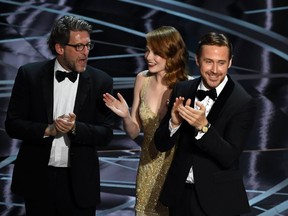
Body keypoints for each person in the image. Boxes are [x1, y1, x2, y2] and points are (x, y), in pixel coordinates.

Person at [5, 15, 114, 216]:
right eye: (79, 47)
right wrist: (48, 129)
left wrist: (75, 128)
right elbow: (13, 124)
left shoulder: (101, 81)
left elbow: (106, 133)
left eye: (88, 45)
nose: (86, 53)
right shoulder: (30, 74)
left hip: (79, 185)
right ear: (60, 48)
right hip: (38, 180)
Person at [154, 32, 257, 216]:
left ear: (230, 62)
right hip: (180, 195)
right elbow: (161, 144)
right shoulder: (182, 88)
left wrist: (204, 127)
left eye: (221, 62)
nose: (215, 70)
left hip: (218, 199)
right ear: (197, 60)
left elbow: (229, 156)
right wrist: (174, 123)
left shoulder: (242, 102)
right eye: (208, 61)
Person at [103, 26, 189, 215]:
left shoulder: (188, 85)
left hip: (176, 172)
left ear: (172, 53)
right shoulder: (142, 79)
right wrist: (126, 116)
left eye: (156, 52)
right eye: (147, 50)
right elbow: (134, 132)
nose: (148, 57)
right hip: (147, 168)